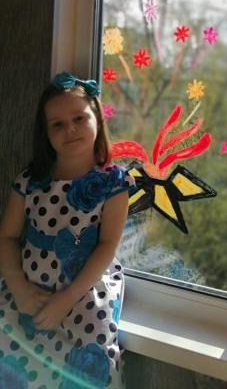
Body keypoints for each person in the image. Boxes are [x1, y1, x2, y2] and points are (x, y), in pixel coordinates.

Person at [0, 72, 134, 388]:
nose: (70, 129)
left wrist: (67, 299)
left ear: (97, 118)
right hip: (26, 292)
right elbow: (7, 236)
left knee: (85, 369)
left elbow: (107, 245)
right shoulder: (30, 180)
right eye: (57, 124)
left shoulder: (114, 183)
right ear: (45, 133)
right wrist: (18, 287)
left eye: (79, 118)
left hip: (83, 295)